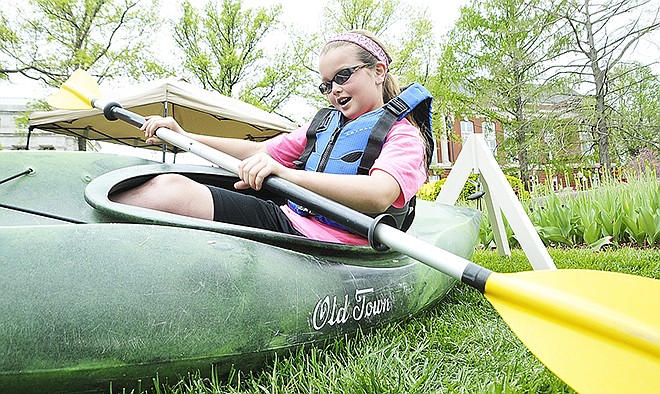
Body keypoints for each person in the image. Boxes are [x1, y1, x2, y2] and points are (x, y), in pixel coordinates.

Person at [112, 29, 432, 246]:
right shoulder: (323, 124)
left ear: (378, 71)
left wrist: (287, 174)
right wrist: (184, 134)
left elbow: (379, 194)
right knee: (168, 184)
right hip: (294, 216)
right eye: (325, 84)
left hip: (330, 238)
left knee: (172, 193)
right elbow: (257, 150)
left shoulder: (404, 135)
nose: (333, 90)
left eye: (343, 76)